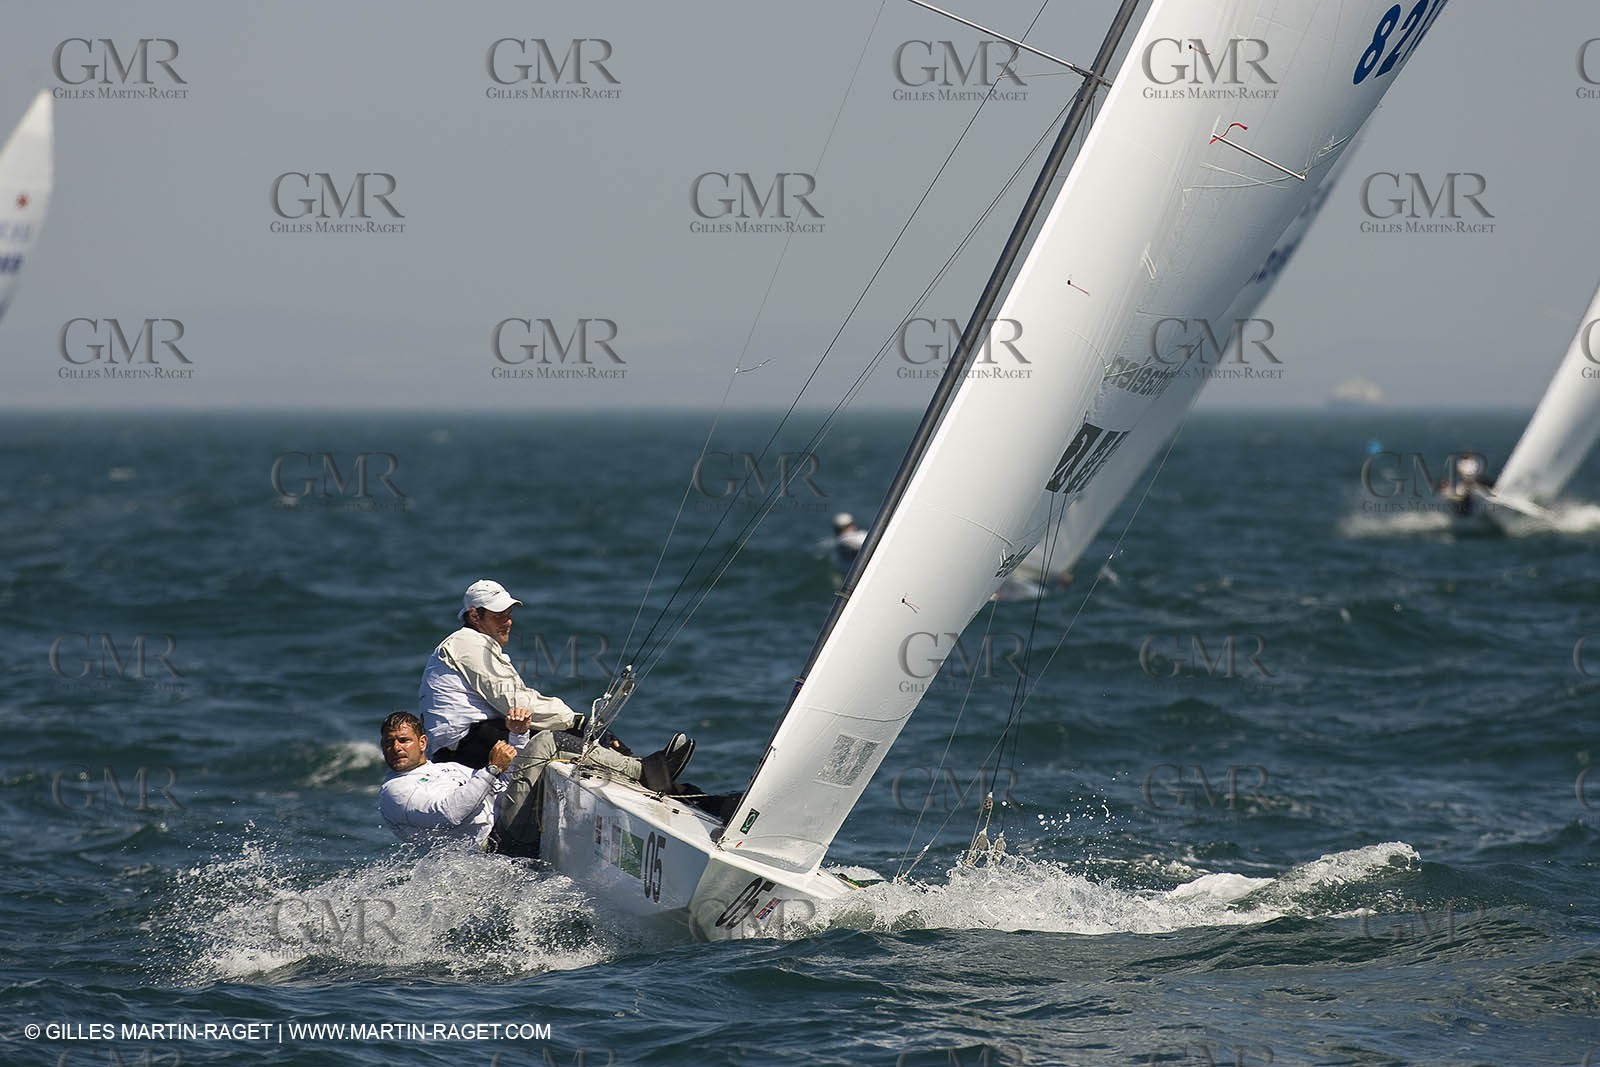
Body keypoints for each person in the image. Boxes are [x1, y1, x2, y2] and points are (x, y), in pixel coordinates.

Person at [378, 710, 696, 856]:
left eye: (403, 740)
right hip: (498, 844)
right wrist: (490, 769)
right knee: (548, 743)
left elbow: (511, 773)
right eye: (389, 742)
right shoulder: (396, 792)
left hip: (508, 821)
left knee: (551, 757)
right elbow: (450, 814)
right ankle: (646, 771)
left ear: (422, 742)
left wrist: (517, 735)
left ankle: (686, 797)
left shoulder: (444, 769)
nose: (396, 748)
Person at [420, 578, 593, 770]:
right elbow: (514, 703)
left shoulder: (467, 643)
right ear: (475, 616)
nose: (508, 622)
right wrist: (576, 721)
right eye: (499, 616)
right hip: (465, 746)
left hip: (463, 743)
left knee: (575, 736)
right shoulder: (469, 645)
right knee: (581, 743)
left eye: (508, 614)